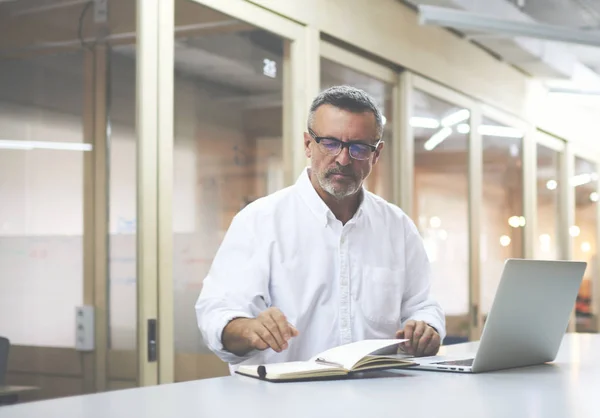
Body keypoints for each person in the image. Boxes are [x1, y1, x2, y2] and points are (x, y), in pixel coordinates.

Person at [195, 85, 446, 371]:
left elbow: (423, 304)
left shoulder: (397, 227)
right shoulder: (259, 221)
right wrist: (249, 329)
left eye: (359, 148)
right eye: (330, 143)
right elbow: (217, 313)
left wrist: (427, 327)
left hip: (378, 400)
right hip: (285, 404)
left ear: (376, 154)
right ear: (307, 145)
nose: (343, 159)